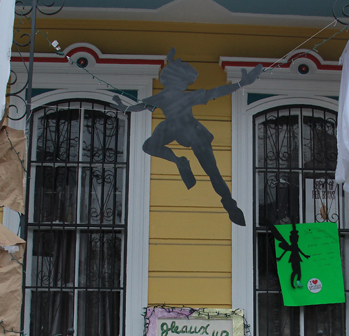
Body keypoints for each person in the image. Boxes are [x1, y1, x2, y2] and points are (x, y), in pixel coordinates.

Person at [112, 49, 262, 226]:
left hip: (190, 131)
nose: (188, 84)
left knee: (212, 172)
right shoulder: (172, 96)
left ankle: (229, 204)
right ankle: (180, 161)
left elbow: (139, 106)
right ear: (179, 79)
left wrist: (239, 85)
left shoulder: (170, 96)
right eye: (187, 81)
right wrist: (239, 85)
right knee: (149, 146)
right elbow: (215, 92)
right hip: (176, 128)